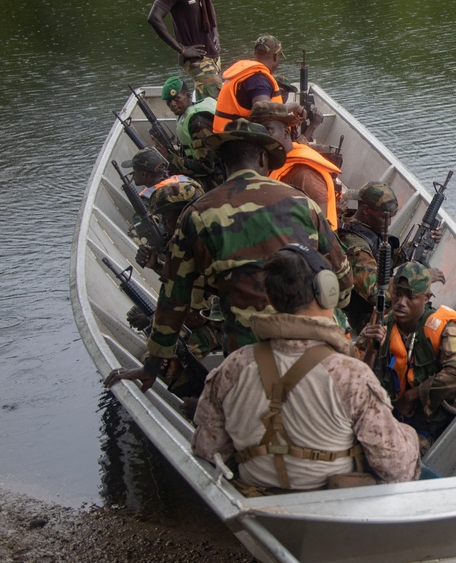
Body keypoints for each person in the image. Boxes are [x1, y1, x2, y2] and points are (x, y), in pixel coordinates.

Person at [104, 118, 353, 393]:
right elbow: (343, 282)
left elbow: (173, 298)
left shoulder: (196, 215)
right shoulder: (302, 203)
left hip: (249, 361)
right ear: (262, 157)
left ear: (223, 162)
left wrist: (152, 365)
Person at [191, 245, 421, 492]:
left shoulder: (234, 366)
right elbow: (397, 468)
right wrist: (410, 437)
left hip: (256, 503)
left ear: (269, 298)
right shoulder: (351, 375)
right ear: (328, 292)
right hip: (332, 512)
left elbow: (208, 449)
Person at [363, 262, 456, 452]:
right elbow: (356, 381)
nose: (401, 303)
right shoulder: (382, 326)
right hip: (389, 415)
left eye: (410, 297)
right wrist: (371, 350)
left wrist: (413, 395)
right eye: (397, 294)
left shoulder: (442, 329)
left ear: (426, 298)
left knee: (398, 453)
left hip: (428, 425)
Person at [248, 101, 342, 229]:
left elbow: (320, 231)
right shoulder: (275, 164)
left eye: (269, 130)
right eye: (259, 132)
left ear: (286, 132)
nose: (262, 138)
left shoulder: (304, 175)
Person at [337, 181, 401, 335]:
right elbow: (375, 292)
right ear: (365, 210)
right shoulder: (356, 246)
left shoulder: (363, 228)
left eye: (391, 217)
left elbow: (385, 258)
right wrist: (409, 280)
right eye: (384, 218)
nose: (389, 223)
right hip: (367, 322)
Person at [147, 0, 222, 99]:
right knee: (215, 101)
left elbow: (209, 8)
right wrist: (182, 49)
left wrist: (215, 33)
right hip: (197, 60)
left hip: (213, 54)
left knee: (205, 100)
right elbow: (154, 17)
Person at [213, 35, 297, 132]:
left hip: (225, 138)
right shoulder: (259, 79)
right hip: (239, 142)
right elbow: (262, 109)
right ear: (275, 57)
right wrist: (294, 106)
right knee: (306, 148)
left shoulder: (243, 73)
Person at [161, 76, 222, 190]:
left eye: (176, 98)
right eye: (169, 101)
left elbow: (206, 167)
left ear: (188, 96)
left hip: (218, 179)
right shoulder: (187, 114)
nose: (172, 104)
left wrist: (170, 158)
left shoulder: (197, 122)